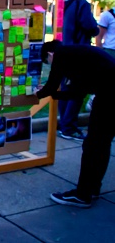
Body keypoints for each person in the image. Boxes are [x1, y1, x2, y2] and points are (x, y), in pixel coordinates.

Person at [36, 40, 115, 208]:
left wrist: (37, 94)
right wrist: (54, 95)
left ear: (50, 55)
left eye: (47, 62)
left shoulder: (62, 55)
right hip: (109, 95)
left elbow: (51, 86)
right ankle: (93, 188)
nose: (50, 65)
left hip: (109, 98)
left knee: (92, 146)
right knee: (102, 144)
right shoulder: (76, 54)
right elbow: (77, 92)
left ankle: (82, 195)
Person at [57, 0, 98, 141]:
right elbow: (89, 26)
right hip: (78, 53)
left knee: (65, 88)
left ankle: (63, 124)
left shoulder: (62, 5)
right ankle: (69, 127)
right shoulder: (81, 4)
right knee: (77, 90)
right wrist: (94, 30)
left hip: (62, 51)